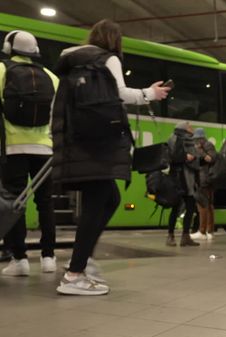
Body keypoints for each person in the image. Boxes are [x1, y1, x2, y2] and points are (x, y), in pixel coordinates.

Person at [52, 19, 170, 295]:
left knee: (109, 198)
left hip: (77, 141)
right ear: (115, 40)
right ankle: (74, 274)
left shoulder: (71, 64)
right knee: (98, 203)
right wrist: (150, 93)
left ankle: (82, 260)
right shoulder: (107, 59)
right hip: (99, 143)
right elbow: (119, 94)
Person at [0, 30, 59, 276]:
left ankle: (20, 259)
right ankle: (49, 257)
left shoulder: (2, 70)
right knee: (45, 202)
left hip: (13, 146)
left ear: (8, 48)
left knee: (15, 202)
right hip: (44, 148)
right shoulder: (51, 77)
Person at [166, 122, 200, 247]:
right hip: (182, 179)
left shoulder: (182, 139)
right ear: (185, 129)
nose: (192, 128)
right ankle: (172, 236)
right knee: (179, 207)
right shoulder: (179, 139)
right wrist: (187, 157)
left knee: (188, 207)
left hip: (185, 179)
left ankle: (183, 236)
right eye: (190, 126)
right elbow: (174, 156)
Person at [190, 127, 217, 241]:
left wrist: (199, 150)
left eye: (197, 139)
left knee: (202, 205)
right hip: (206, 179)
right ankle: (209, 231)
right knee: (209, 205)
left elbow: (210, 159)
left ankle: (202, 231)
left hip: (204, 179)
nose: (195, 142)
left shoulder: (207, 145)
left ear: (201, 138)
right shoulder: (207, 145)